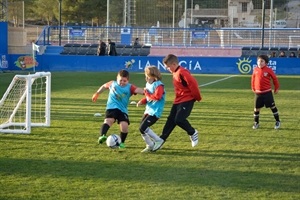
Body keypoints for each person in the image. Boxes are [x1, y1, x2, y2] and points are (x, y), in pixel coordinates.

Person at [153, 54, 202, 151]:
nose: (167, 69)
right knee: (170, 120)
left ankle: (192, 132)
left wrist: (197, 97)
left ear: (174, 64)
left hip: (187, 100)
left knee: (179, 120)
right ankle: (161, 139)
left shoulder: (182, 72)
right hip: (178, 100)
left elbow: (193, 84)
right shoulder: (175, 73)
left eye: (168, 67)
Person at [92, 69, 144, 149]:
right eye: (120, 80)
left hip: (122, 110)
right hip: (111, 107)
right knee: (108, 121)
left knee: (124, 126)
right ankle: (102, 136)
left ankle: (122, 143)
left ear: (128, 80)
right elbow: (104, 86)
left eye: (124, 81)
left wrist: (148, 92)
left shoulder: (130, 87)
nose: (122, 82)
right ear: (117, 78)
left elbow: (139, 90)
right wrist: (97, 93)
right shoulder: (112, 83)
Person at [137, 66, 166, 152]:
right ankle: (150, 145)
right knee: (141, 128)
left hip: (155, 111)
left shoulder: (159, 85)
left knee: (144, 126)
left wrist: (146, 94)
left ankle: (158, 140)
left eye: (147, 74)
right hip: (148, 110)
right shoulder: (147, 85)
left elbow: (157, 97)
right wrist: (142, 101)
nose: (145, 76)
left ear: (153, 75)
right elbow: (148, 97)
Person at [251, 55, 281, 130]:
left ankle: (277, 121)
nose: (259, 63)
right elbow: (253, 79)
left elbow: (275, 79)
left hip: (267, 93)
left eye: (262, 61)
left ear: (266, 63)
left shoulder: (269, 70)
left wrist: (276, 88)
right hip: (258, 93)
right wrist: (253, 87)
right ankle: (256, 123)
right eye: (258, 61)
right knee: (256, 109)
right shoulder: (255, 69)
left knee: (272, 107)